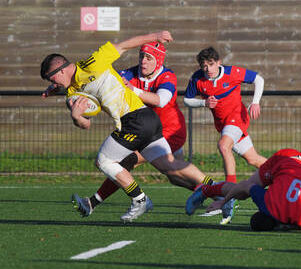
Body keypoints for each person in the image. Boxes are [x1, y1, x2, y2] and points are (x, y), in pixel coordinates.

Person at [40, 31, 213, 222]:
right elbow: (85, 124)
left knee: (104, 161)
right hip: (148, 120)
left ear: (61, 70)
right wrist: (76, 116)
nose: (51, 83)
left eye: (51, 79)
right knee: (168, 166)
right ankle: (219, 190)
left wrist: (156, 36)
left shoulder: (93, 62)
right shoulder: (72, 93)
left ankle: (140, 200)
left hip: (136, 121)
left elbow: (125, 44)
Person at [184, 46, 267, 224]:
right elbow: (187, 99)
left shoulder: (232, 72)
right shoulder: (198, 78)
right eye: (204, 65)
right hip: (224, 125)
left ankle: (229, 196)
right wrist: (203, 103)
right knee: (253, 159)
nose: (208, 69)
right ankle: (286, 171)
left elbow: (258, 79)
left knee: (223, 145)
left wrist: (255, 102)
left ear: (218, 63)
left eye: (211, 64)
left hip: (238, 118)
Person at [186, 148, 301, 231]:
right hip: (285, 160)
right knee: (243, 190)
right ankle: (206, 190)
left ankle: (206, 190)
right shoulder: (268, 206)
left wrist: (223, 202)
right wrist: (222, 202)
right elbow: (244, 185)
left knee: (243, 192)